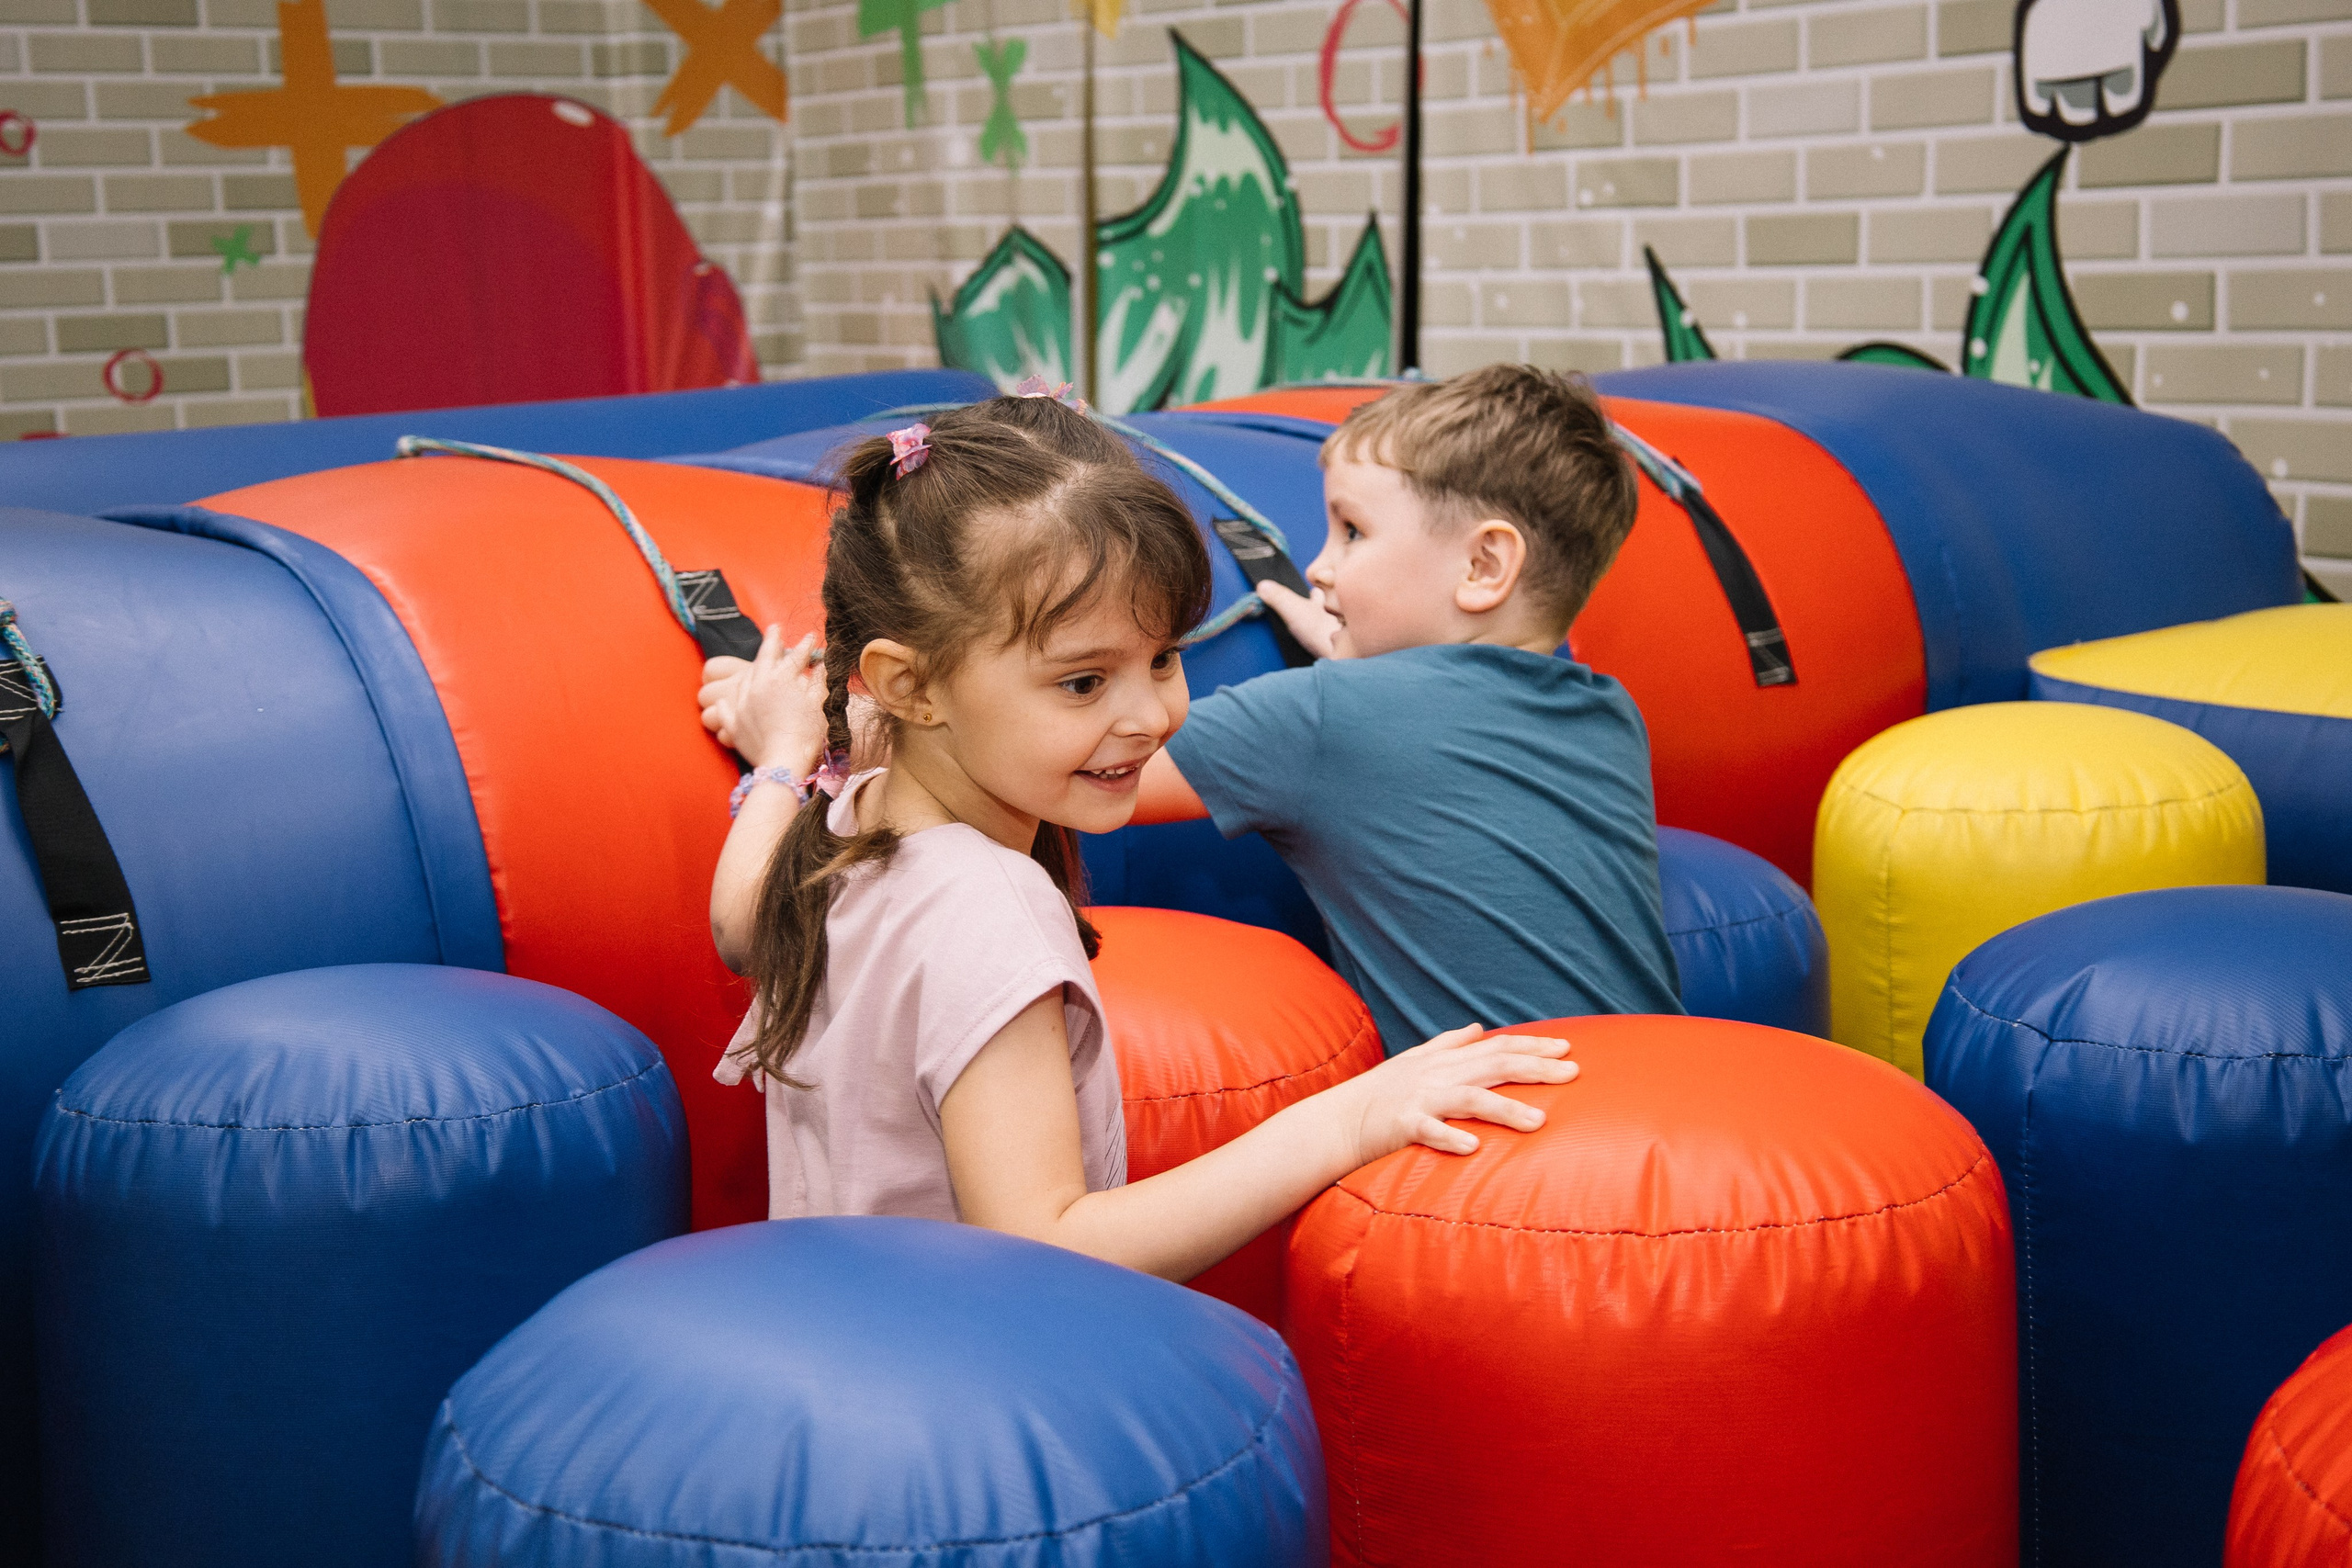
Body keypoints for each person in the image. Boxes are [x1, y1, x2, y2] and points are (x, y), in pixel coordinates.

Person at [696, 390, 1577, 1281]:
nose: (1151, 714)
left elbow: (739, 922)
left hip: (852, 1315)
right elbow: (1045, 1246)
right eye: (1083, 682)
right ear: (911, 688)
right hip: (969, 1344)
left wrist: (785, 761)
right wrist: (1349, 1120)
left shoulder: (851, 820)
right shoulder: (988, 906)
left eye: (1163, 658)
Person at [1132, 364, 1682, 1054]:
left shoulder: (1323, 719)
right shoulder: (1610, 715)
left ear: (1484, 566)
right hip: (1655, 1081)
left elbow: (1095, 774)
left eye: (1352, 532)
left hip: (1517, 1119)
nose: (1318, 568)